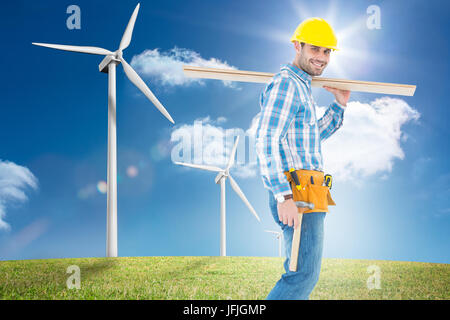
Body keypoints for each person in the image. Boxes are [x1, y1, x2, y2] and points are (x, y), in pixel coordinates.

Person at [255, 17, 351, 300]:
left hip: (312, 185)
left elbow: (310, 138)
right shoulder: (287, 84)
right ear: (297, 46)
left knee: (301, 271)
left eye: (327, 51)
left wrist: (339, 105)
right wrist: (284, 196)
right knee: (302, 274)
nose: (322, 57)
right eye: (315, 49)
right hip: (297, 187)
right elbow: (266, 140)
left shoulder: (302, 86)